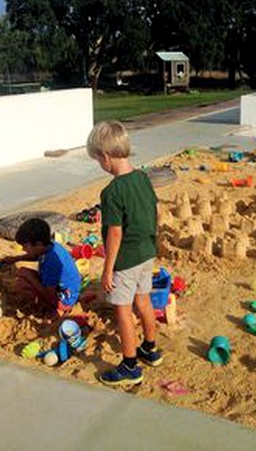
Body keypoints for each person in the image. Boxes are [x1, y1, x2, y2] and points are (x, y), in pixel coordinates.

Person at [86, 120, 163, 386]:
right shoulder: (143, 177)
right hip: (146, 252)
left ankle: (130, 365)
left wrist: (107, 269)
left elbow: (115, 233)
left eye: (98, 160)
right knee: (144, 302)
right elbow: (155, 212)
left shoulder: (112, 192)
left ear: (106, 157)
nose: (100, 165)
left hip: (126, 259)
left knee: (123, 311)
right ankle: (150, 350)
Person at [0, 218, 81, 317]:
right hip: (60, 287)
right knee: (24, 275)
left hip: (64, 301)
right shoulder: (49, 246)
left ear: (38, 244)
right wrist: (15, 259)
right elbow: (36, 256)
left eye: (25, 246)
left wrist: (28, 277)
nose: (23, 249)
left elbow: (49, 294)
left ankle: (55, 310)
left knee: (24, 281)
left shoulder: (52, 262)